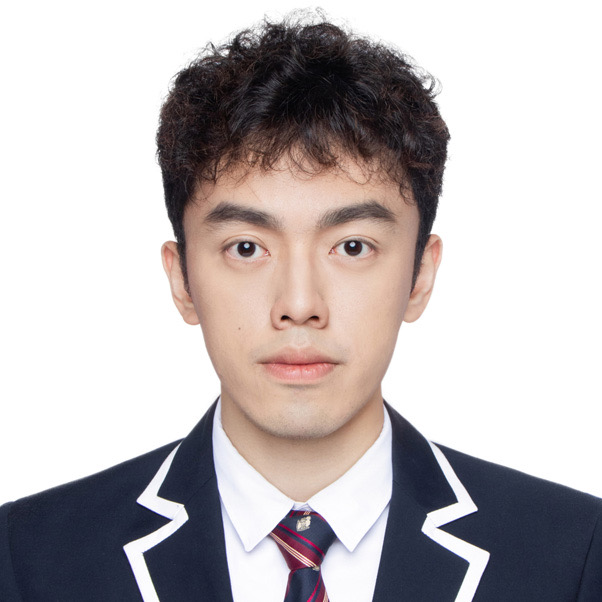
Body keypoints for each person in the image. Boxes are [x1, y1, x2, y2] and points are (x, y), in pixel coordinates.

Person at [1, 14, 600, 602]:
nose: (298, 305)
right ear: (182, 279)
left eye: (352, 246)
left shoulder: (573, 556)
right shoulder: (27, 558)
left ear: (420, 274)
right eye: (246, 248)